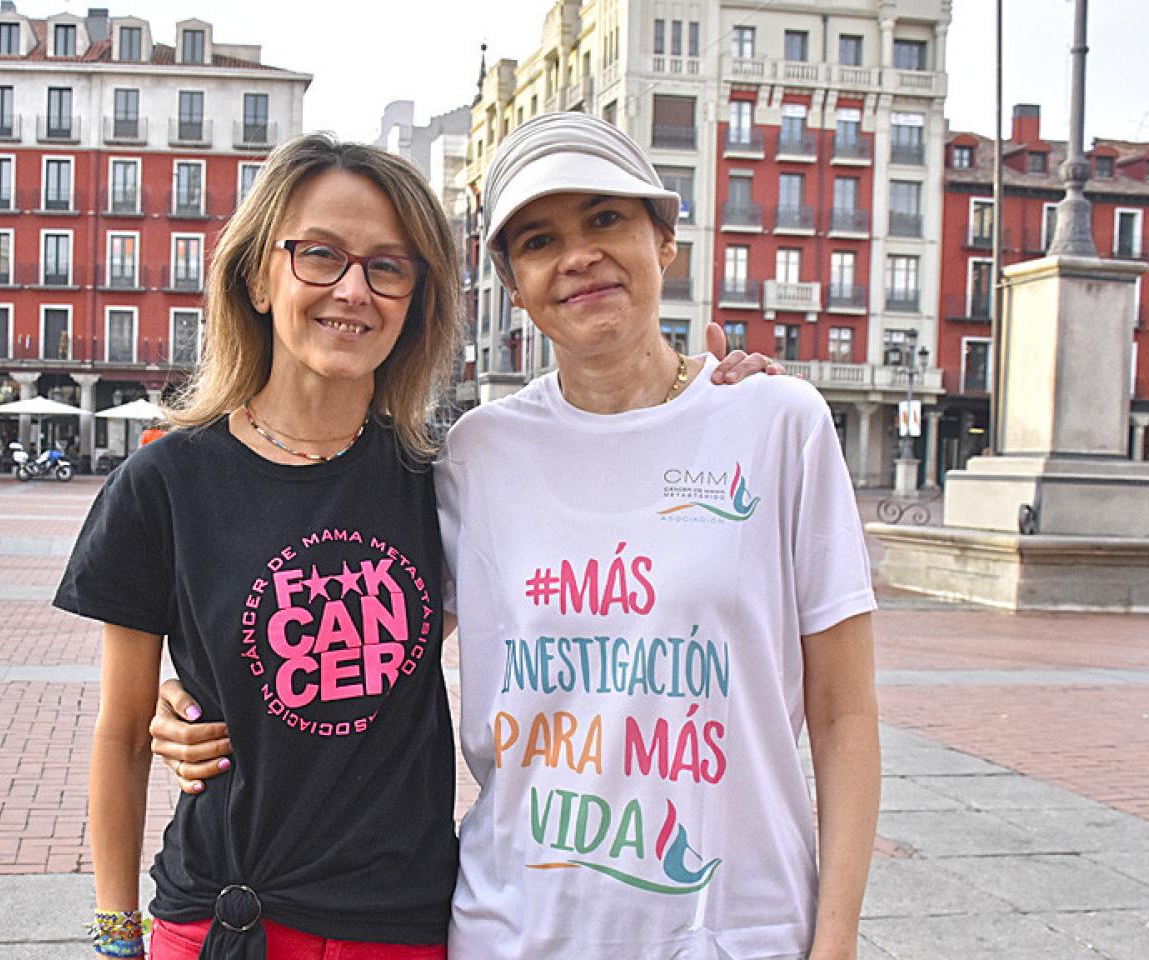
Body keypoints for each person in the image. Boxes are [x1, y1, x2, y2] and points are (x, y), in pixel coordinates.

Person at [149, 114, 878, 960]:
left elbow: (844, 712)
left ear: (665, 240)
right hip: (512, 929)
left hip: (732, 930)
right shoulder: (476, 453)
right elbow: (368, 636)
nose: (577, 256)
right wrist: (203, 694)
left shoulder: (777, 423)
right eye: (539, 240)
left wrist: (837, 940)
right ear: (514, 283)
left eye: (606, 219)